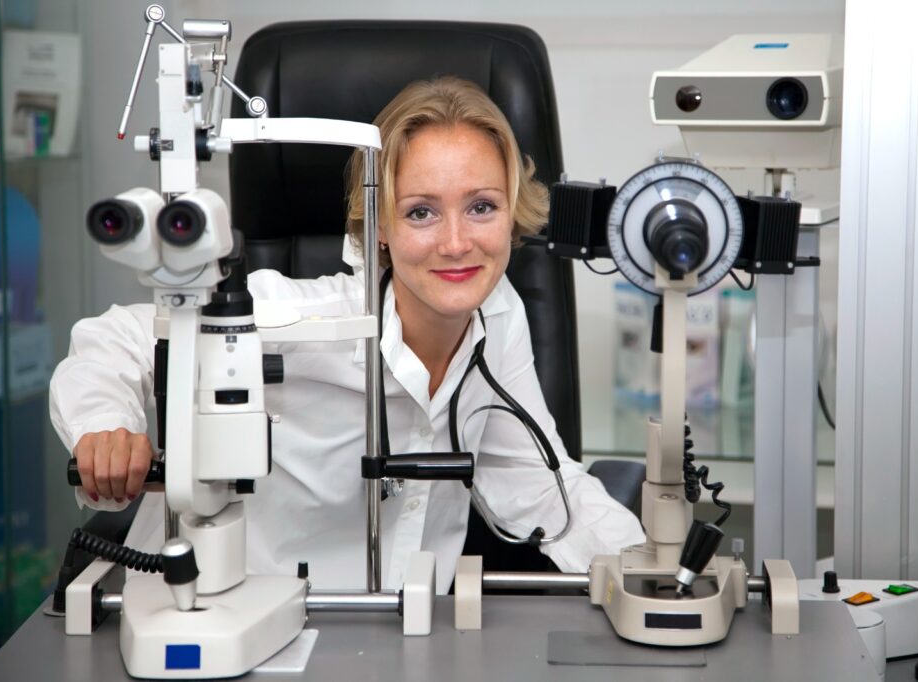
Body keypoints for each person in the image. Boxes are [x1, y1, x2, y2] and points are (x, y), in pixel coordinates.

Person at [50, 76, 645, 592]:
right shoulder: (304, 319)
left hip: (401, 633)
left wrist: (651, 574)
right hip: (225, 617)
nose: (458, 242)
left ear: (513, 211)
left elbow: (540, 483)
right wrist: (107, 427)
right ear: (379, 225)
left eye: (482, 206)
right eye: (421, 212)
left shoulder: (497, 317)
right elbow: (119, 338)